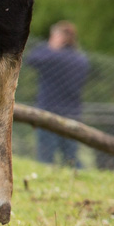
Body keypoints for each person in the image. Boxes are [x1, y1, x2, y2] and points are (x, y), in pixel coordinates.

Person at [25, 21, 90, 166]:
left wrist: (51, 47)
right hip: (72, 112)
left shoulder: (51, 57)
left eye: (53, 36)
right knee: (71, 155)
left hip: (49, 112)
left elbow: (31, 59)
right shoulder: (81, 60)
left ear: (60, 37)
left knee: (46, 156)